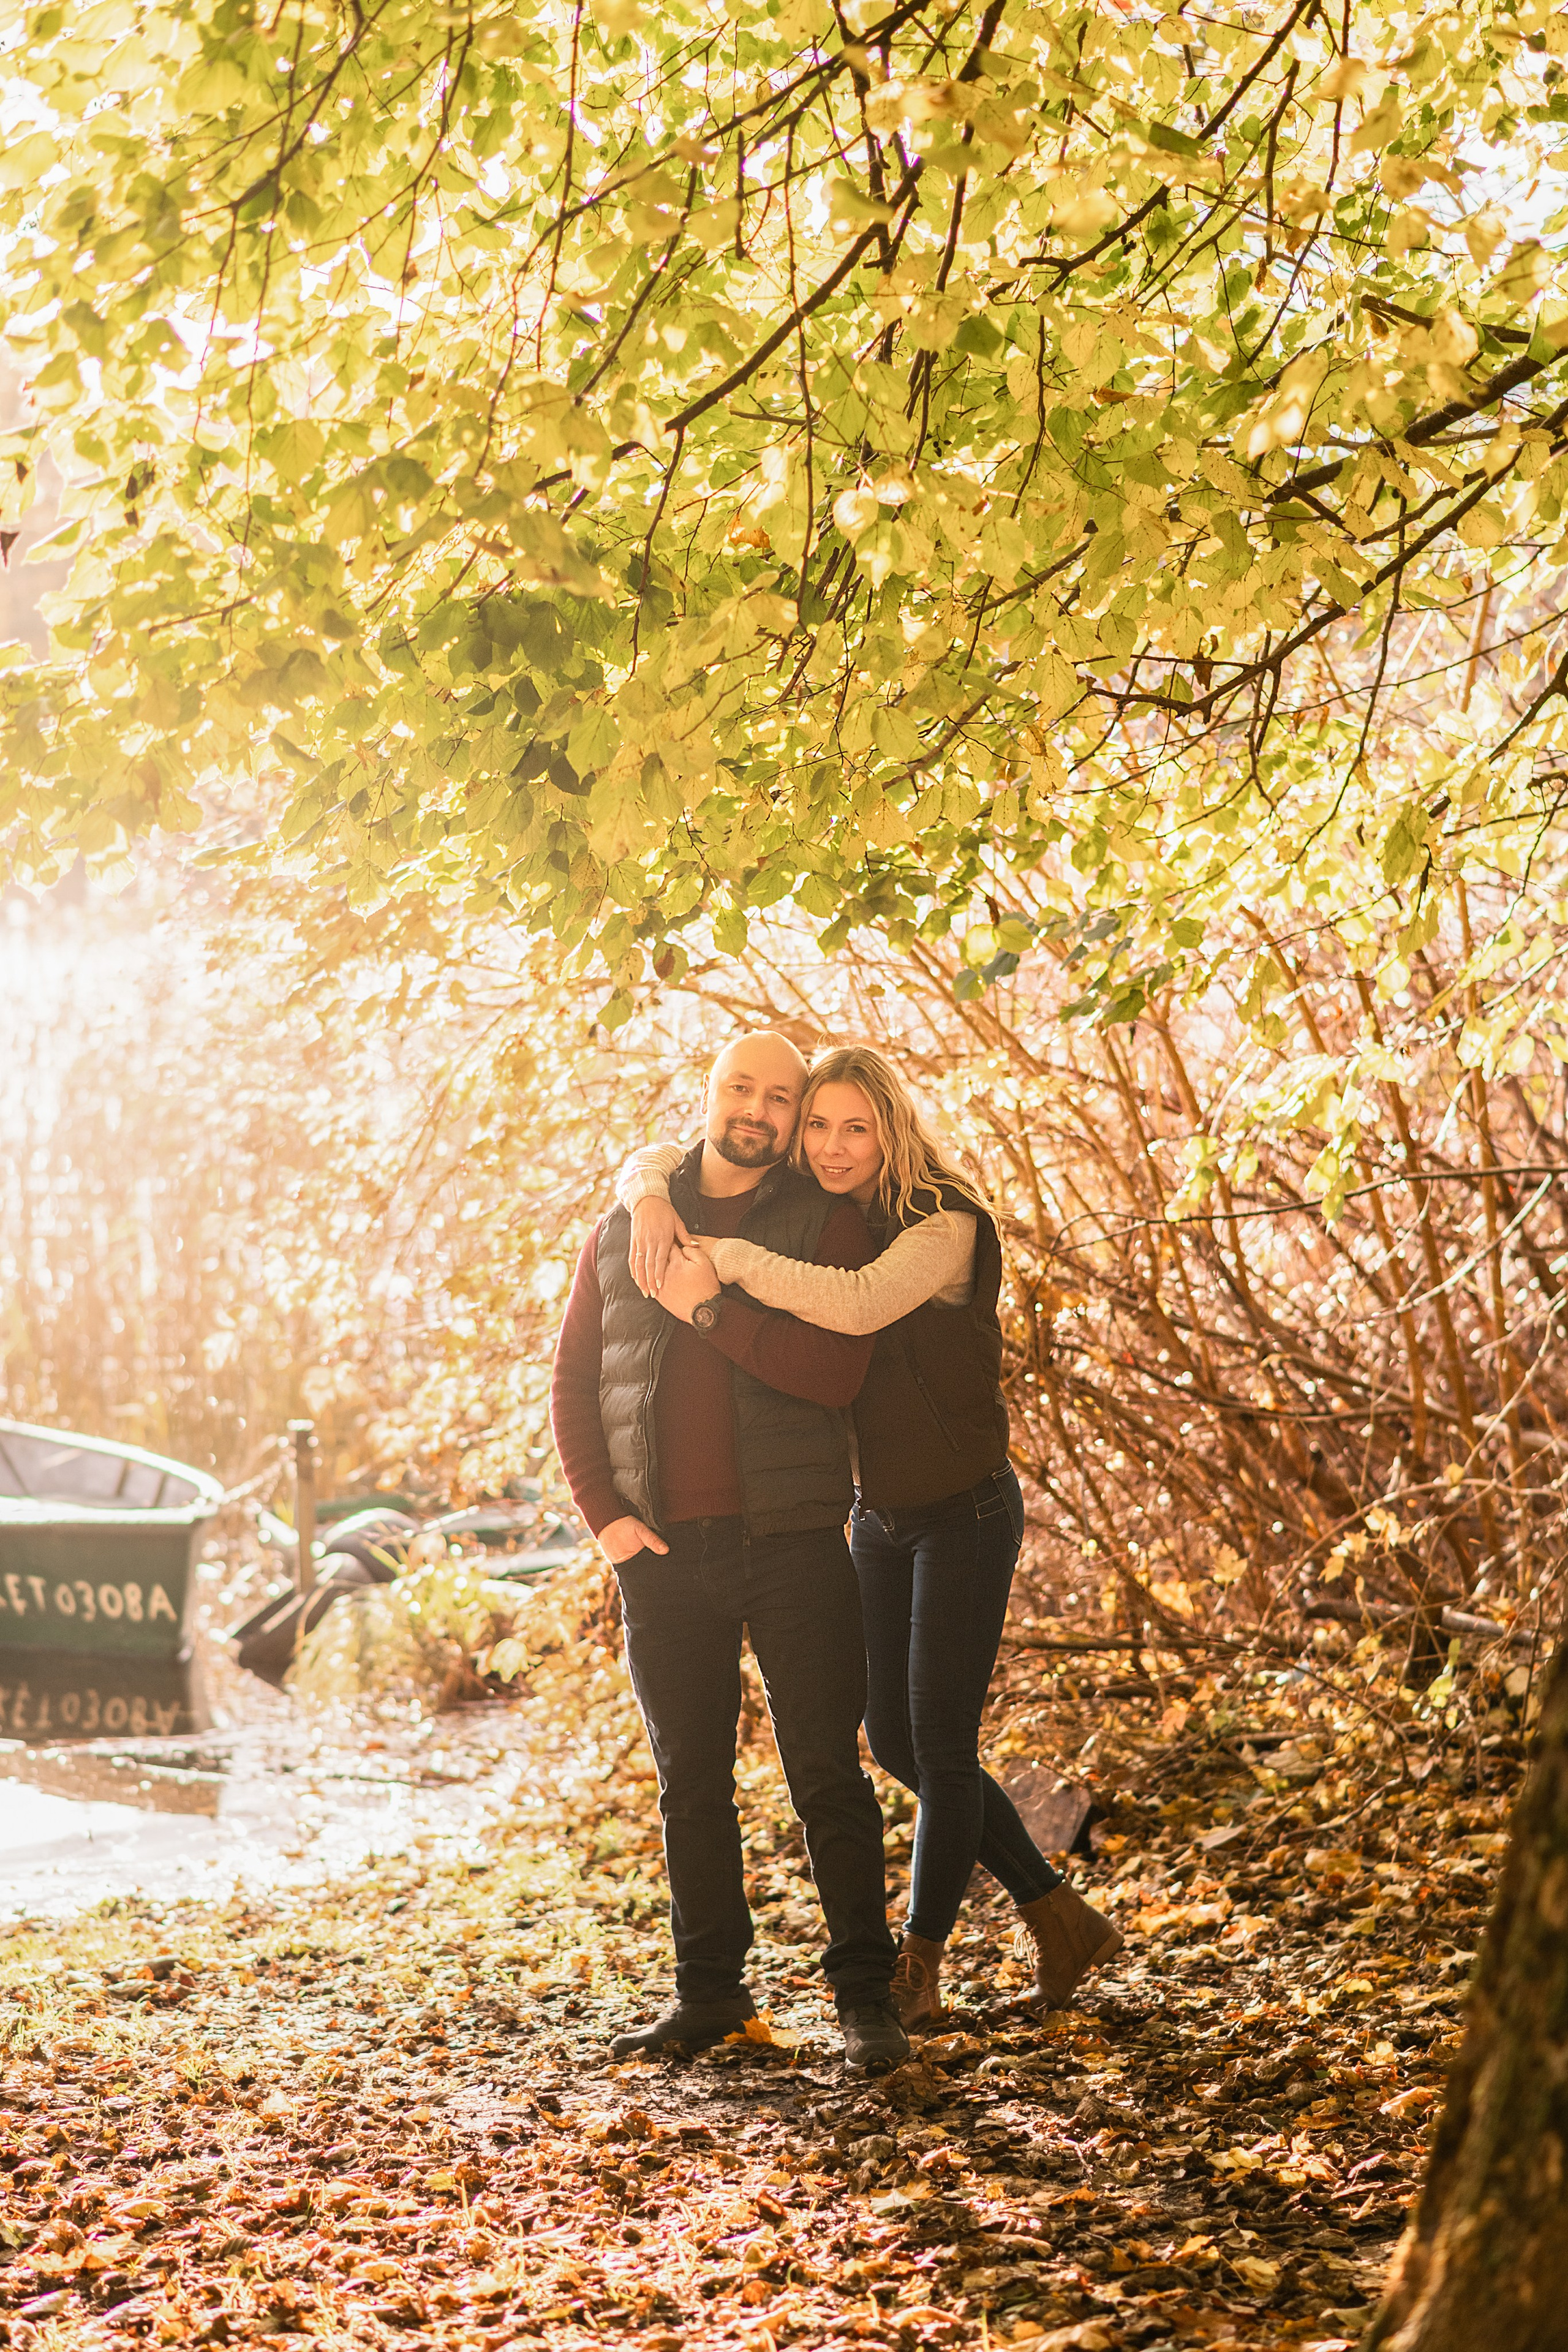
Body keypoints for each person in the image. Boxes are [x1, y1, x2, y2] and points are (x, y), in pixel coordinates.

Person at [620, 1044, 1122, 2030]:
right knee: (892, 1739)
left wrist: (721, 1265)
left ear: (892, 1128)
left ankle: (916, 1966)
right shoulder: (828, 1214)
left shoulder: (947, 1223)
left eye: (857, 1127)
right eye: (819, 1127)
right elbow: (676, 1157)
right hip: (876, 1517)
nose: (834, 1145)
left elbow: (851, 1310)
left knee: (936, 1745)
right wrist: (644, 1188)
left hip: (965, 1511)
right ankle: (1059, 1912)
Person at [549, 1030, 910, 2073]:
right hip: (662, 1555)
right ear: (709, 1095)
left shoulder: (824, 1222)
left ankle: (863, 2000)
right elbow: (573, 1383)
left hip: (794, 1541)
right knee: (690, 1783)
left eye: (780, 1097)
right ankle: (713, 1997)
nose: (757, 1109)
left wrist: (708, 1306)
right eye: (740, 1087)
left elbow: (833, 1373)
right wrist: (609, 1526)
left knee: (823, 1774)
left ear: (798, 1119)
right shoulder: (627, 1223)